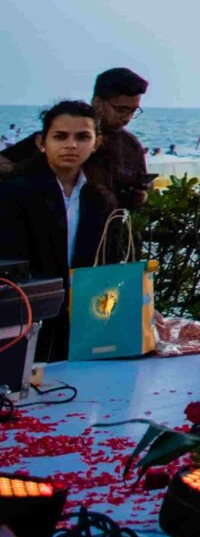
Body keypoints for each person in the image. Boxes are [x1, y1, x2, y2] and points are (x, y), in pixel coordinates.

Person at [0, 101, 114, 361]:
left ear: (96, 143)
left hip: (85, 313)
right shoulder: (15, 193)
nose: (71, 145)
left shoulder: (100, 198)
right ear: (42, 143)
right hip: (28, 313)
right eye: (60, 136)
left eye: (82, 137)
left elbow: (107, 259)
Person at [2, 68, 150, 212]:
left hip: (110, 229)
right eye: (121, 110)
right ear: (98, 103)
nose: (128, 118)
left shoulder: (131, 145)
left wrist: (140, 196)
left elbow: (141, 192)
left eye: (133, 111)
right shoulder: (54, 140)